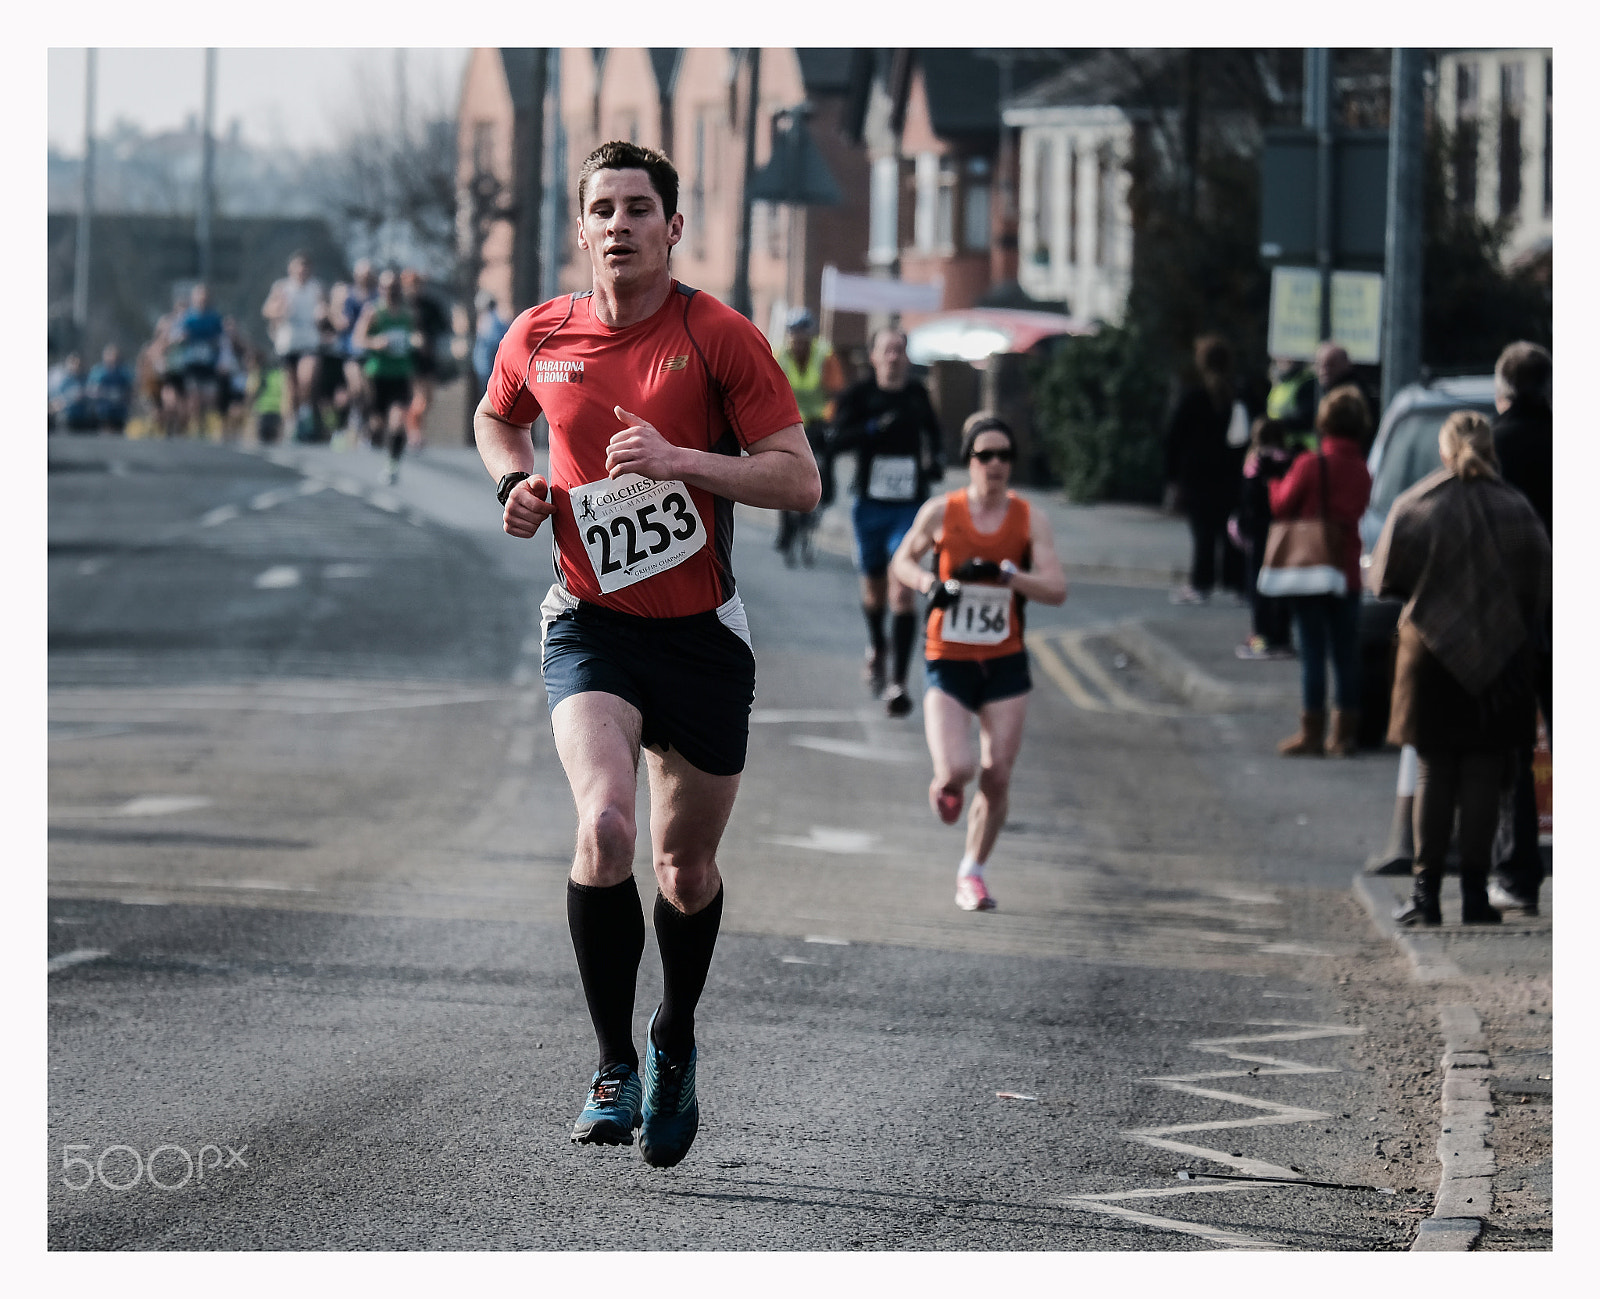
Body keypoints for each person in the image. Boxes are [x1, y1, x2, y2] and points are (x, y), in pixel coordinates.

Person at [473, 140, 818, 1168]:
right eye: (603, 209)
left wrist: (680, 462)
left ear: (673, 227)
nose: (620, 225)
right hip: (590, 623)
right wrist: (515, 485)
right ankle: (613, 1063)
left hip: (701, 637)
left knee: (684, 863)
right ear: (580, 230)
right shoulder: (540, 332)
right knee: (608, 827)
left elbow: (797, 481)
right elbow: (496, 419)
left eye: (640, 208)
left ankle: (674, 1037)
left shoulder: (718, 336)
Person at [1368, 411, 1551, 926]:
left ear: (1444, 452)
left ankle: (1427, 898)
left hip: (1429, 657)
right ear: (1490, 450)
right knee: (1485, 772)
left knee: (1435, 770)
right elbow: (1541, 587)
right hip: (1504, 659)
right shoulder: (1517, 509)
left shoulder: (1418, 505)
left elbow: (1383, 579)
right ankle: (1474, 896)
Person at [889, 413, 1067, 912]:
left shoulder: (1030, 519)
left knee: (998, 774)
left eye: (1004, 456)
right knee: (959, 769)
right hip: (949, 659)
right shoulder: (942, 512)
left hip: (1005, 661)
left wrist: (1011, 577)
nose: (995, 465)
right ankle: (945, 783)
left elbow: (1056, 589)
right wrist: (931, 585)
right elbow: (901, 562)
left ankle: (973, 872)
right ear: (968, 461)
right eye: (984, 455)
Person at [828, 327, 945, 715]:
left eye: (900, 350)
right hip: (870, 506)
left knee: (903, 589)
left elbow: (933, 435)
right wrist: (873, 429)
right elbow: (836, 440)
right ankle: (877, 642)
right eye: (887, 350)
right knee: (875, 592)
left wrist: (936, 460)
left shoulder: (917, 395)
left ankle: (897, 681)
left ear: (907, 357)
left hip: (910, 507)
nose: (894, 357)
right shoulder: (860, 396)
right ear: (874, 357)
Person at [1270, 385, 1373, 758]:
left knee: (1312, 653)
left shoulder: (1311, 464)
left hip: (1311, 566)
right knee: (1346, 655)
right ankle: (1343, 737)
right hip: (1346, 571)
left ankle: (1311, 733)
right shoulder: (1362, 469)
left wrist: (1272, 482)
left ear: (1325, 421)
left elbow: (1282, 506)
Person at [1486, 341, 1553, 914]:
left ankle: (1518, 875)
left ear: (1502, 389)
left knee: (1514, 748)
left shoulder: (1495, 448)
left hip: (1513, 615)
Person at [1164, 334, 1249, 605]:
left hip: (1198, 477)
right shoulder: (1241, 395)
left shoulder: (1194, 397)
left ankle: (1201, 584)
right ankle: (1237, 585)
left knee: (1203, 533)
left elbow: (1172, 439)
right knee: (1231, 531)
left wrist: (1172, 478)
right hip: (1233, 475)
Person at [773, 308, 845, 566]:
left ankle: (821, 501)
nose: (798, 338)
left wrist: (830, 418)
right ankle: (786, 528)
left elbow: (836, 392)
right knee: (782, 472)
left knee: (825, 468)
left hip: (817, 423)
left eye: (803, 333)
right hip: (788, 423)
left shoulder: (824, 355)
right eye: (794, 333)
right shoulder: (779, 356)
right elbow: (770, 392)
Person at [1231, 416, 1296, 660]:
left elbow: (1247, 501)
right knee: (1284, 589)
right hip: (1285, 533)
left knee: (1259, 589)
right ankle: (1282, 639)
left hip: (1259, 535)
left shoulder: (1255, 463)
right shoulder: (1291, 462)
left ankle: (1261, 639)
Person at [353, 270, 416, 485]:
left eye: (394, 288)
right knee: (378, 425)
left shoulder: (408, 314)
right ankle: (366, 434)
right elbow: (358, 339)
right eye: (386, 288)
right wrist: (376, 342)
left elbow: (415, 336)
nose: (391, 292)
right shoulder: (374, 312)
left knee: (397, 421)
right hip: (377, 375)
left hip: (400, 374)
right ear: (380, 289)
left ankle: (392, 464)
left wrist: (419, 342)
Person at [262, 252, 327, 442]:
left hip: (309, 341)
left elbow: (325, 310)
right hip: (288, 342)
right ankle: (292, 423)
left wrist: (323, 315)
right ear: (291, 268)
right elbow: (267, 310)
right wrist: (280, 309)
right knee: (291, 388)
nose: (301, 271)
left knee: (306, 380)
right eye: (298, 267)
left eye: (305, 267)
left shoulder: (316, 288)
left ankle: (305, 414)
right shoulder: (282, 287)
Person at [401, 268, 449, 448]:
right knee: (419, 398)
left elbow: (443, 326)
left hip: (429, 356)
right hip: (410, 358)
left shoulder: (430, 305)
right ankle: (414, 434)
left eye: (417, 284)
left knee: (428, 399)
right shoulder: (402, 306)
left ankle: (414, 429)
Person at [1313, 342, 1375, 437]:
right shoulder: (1323, 389)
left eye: (1331, 364)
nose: (1324, 371)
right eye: (1320, 365)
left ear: (1346, 365)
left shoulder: (1352, 395)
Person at [1265, 355, 1317, 454]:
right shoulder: (1280, 384)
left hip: (1301, 449)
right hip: (1279, 448)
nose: (1285, 360)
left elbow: (1306, 419)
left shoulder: (1307, 383)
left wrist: (1275, 426)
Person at [471, 289, 510, 410]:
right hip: (485, 369)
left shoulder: (492, 321)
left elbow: (495, 343)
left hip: (490, 370)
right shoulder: (489, 320)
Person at [87, 344, 135, 433]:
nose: (113, 359)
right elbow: (90, 390)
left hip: (119, 412)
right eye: (111, 356)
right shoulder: (98, 371)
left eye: (116, 356)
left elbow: (131, 390)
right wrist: (105, 393)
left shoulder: (124, 372)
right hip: (103, 412)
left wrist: (122, 395)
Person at [49, 352, 96, 432]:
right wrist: (71, 398)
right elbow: (54, 403)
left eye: (79, 364)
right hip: (67, 418)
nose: (77, 367)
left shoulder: (87, 379)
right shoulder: (62, 380)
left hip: (84, 418)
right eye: (74, 363)